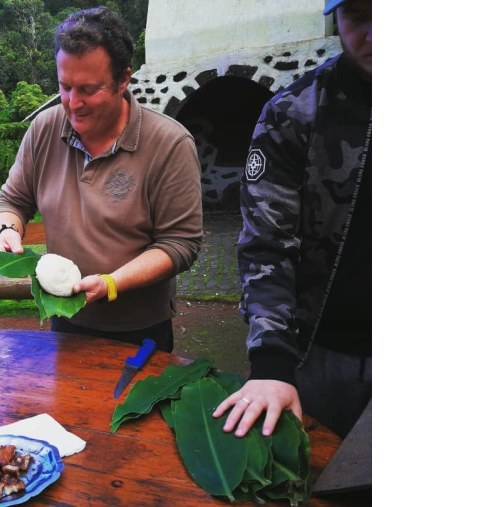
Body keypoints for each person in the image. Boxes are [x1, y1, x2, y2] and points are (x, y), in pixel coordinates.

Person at [0, 7, 203, 353]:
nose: (74, 104)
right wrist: (8, 230)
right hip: (63, 318)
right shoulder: (44, 129)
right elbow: (12, 201)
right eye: (65, 87)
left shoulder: (169, 144)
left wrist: (112, 283)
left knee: (134, 407)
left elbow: (180, 244)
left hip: (139, 329)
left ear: (123, 80)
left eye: (89, 89)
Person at [213, 0, 372, 439]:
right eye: (359, 17)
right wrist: (271, 363)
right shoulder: (295, 111)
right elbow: (267, 243)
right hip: (322, 354)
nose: (377, 34)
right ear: (336, 20)